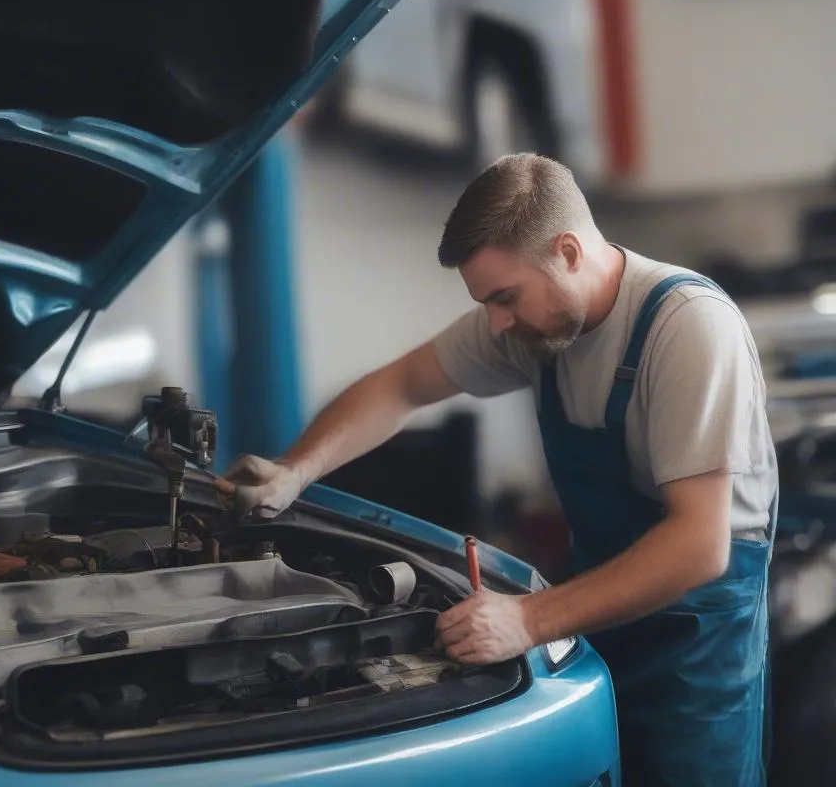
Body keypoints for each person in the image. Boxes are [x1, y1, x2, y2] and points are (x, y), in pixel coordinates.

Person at [214, 152, 778, 787]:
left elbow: (698, 548)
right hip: (603, 616)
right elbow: (401, 385)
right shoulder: (534, 330)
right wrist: (296, 470)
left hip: (696, 652)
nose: (496, 322)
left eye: (506, 297)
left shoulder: (685, 329)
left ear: (568, 251)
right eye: (485, 302)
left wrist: (528, 620)